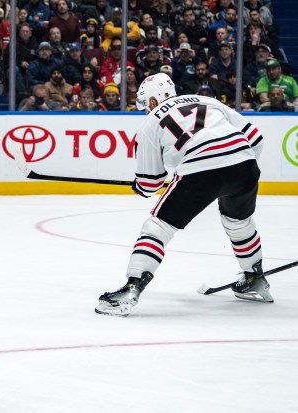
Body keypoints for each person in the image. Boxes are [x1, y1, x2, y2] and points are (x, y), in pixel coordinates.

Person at [95, 73, 268, 317]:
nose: (146, 112)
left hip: (201, 170)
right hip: (245, 164)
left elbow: (150, 183)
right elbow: (256, 139)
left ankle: (131, 289)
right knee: (238, 222)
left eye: (145, 106)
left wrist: (140, 186)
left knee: (157, 226)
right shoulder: (206, 100)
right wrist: (233, 167)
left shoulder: (150, 123)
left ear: (153, 102)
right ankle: (255, 279)